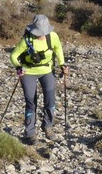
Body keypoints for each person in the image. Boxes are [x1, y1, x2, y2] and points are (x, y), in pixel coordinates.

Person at [9, 14, 68, 143]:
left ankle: (48, 127)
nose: (42, 35)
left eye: (44, 32)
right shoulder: (26, 40)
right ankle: (30, 133)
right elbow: (13, 55)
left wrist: (62, 63)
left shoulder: (53, 37)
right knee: (31, 102)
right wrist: (18, 67)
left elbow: (58, 49)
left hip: (47, 71)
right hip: (28, 72)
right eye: (39, 32)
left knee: (50, 100)